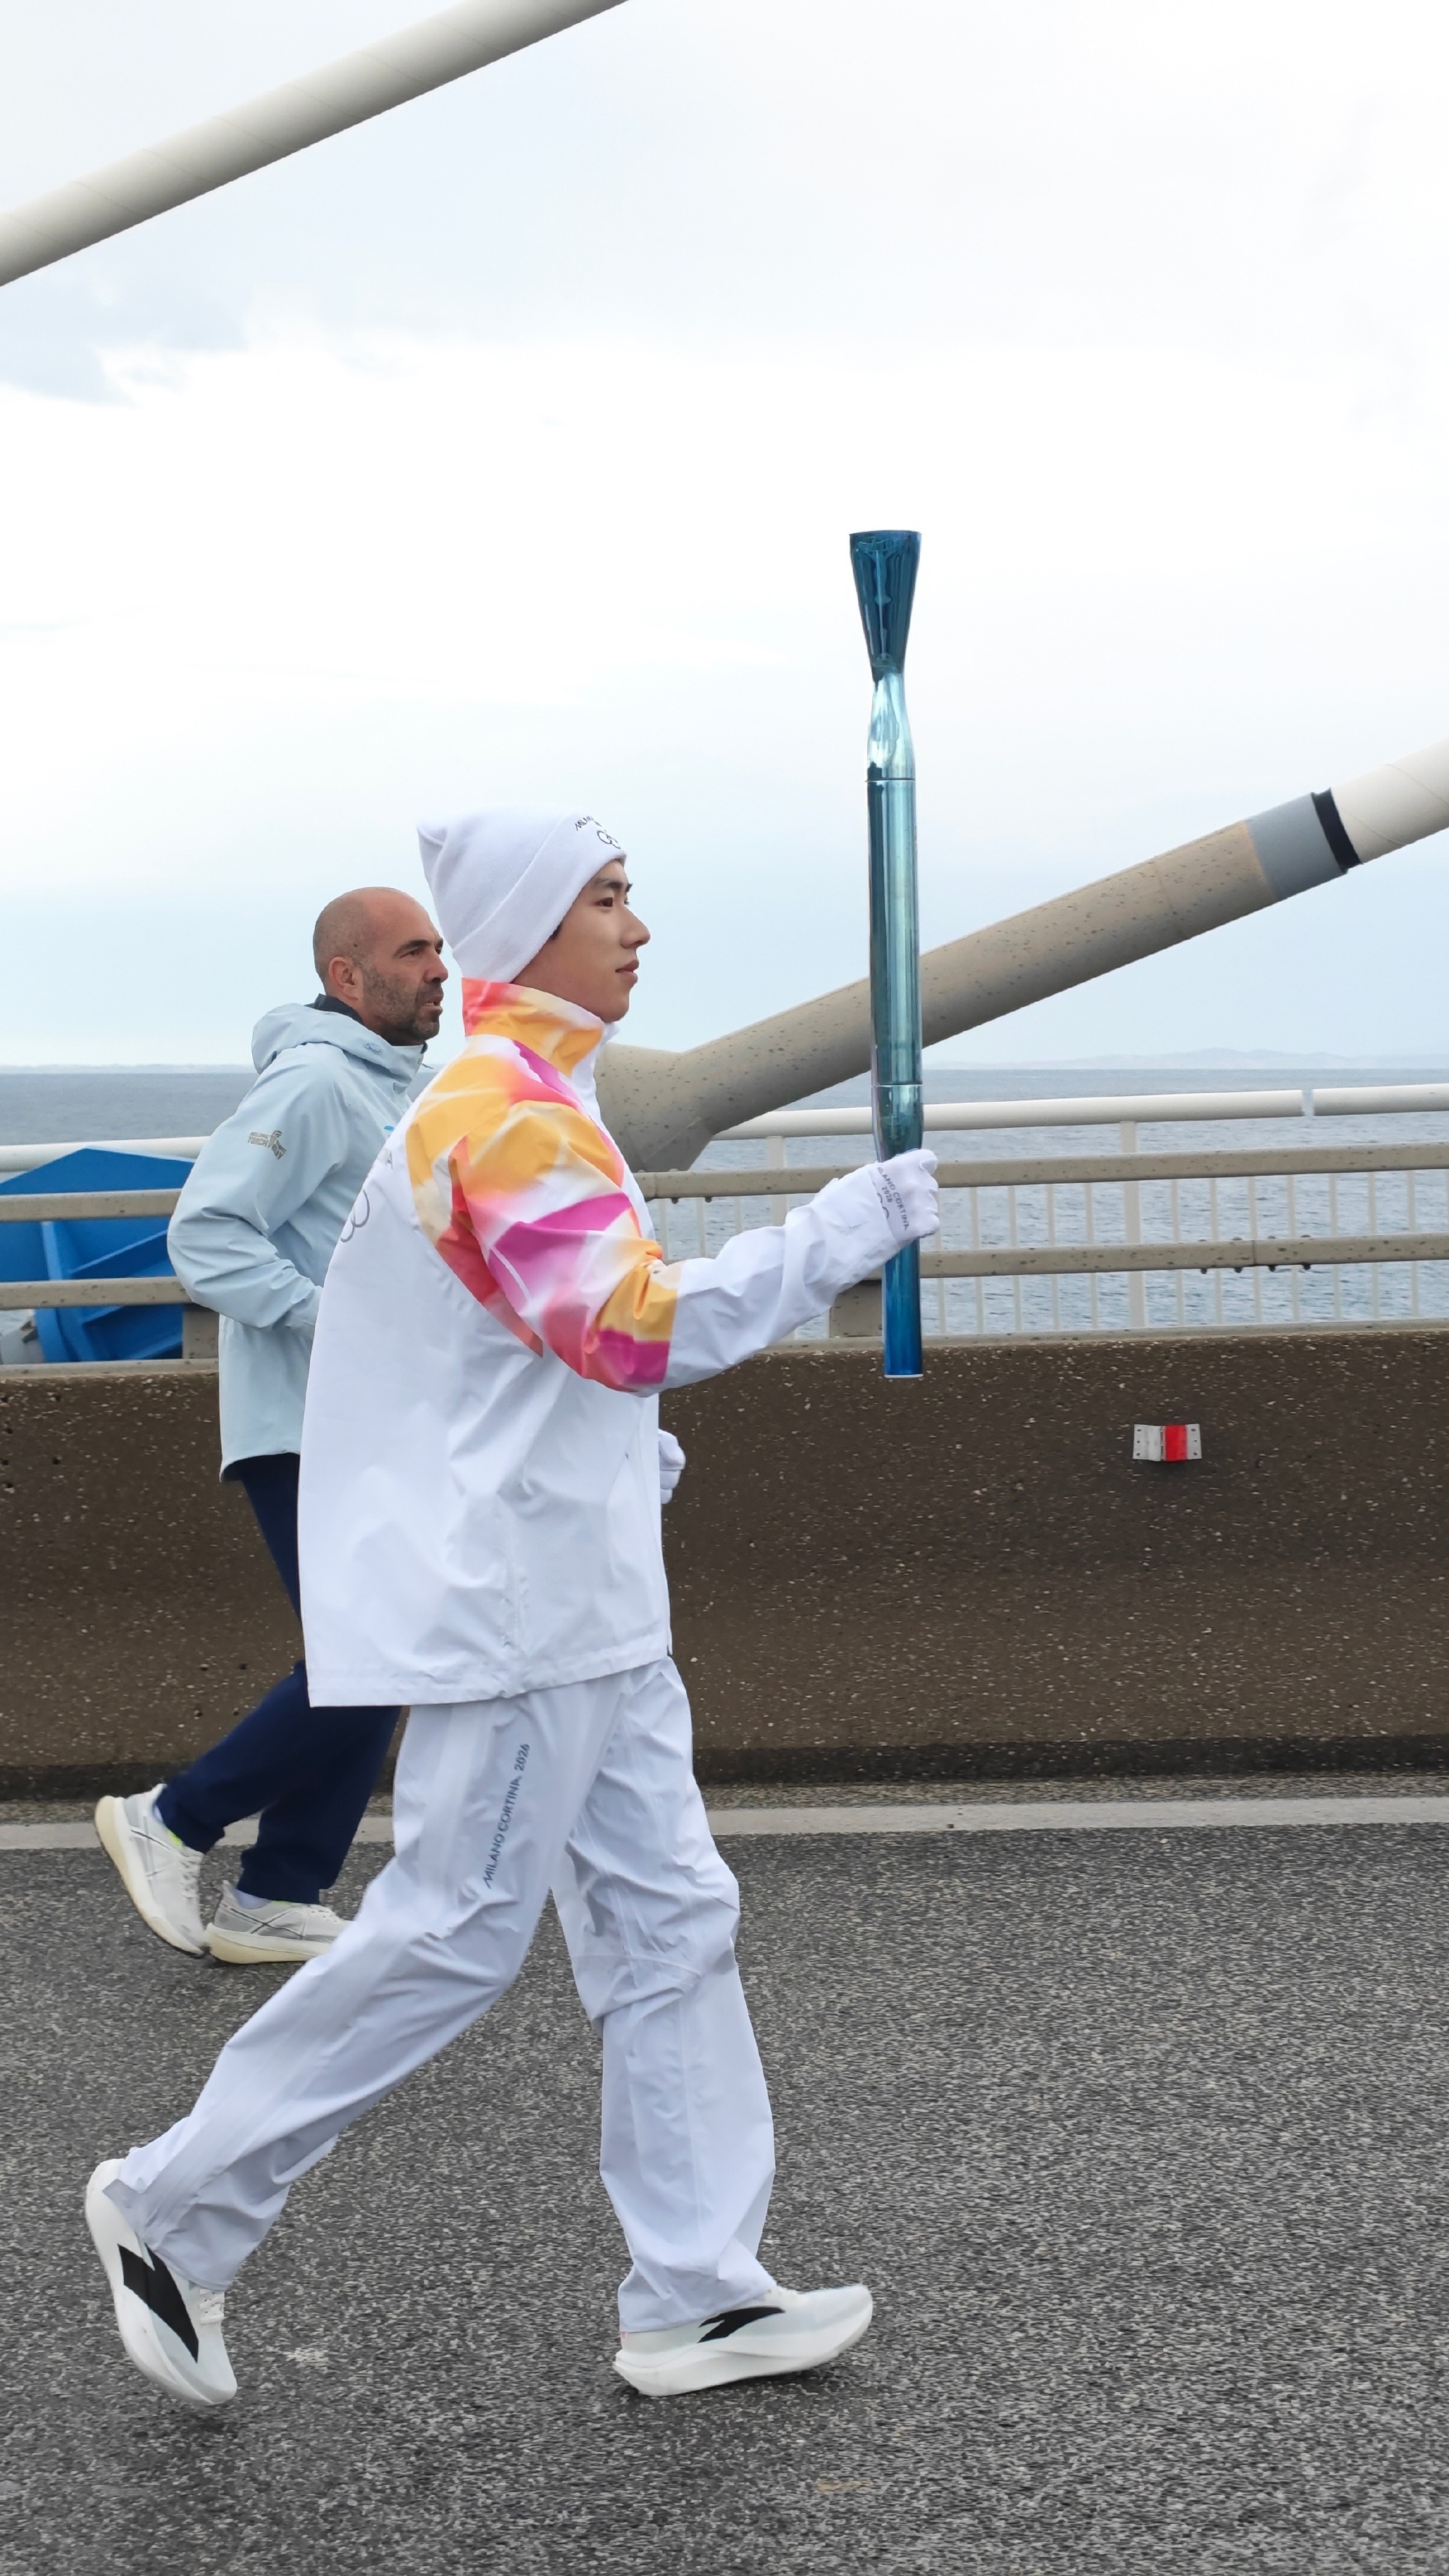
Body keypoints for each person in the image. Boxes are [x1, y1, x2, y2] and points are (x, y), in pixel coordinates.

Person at [85, 808, 939, 2406]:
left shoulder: (528, 1093)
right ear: (528, 923)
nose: (637, 927)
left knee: (671, 1921)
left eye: (630, 895)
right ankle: (174, 2204)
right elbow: (624, 1324)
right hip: (522, 1609)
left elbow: (490, 1350)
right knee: (455, 1932)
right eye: (606, 898)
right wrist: (838, 1230)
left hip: (588, 1591)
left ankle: (696, 2291)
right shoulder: (499, 1108)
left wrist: (614, 1449)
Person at [95, 889, 446, 1965]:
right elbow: (206, 1233)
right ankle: (174, 1819)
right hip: (305, 1425)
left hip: (369, 1423)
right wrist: (334, 1323)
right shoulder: (318, 1079)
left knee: (376, 1656)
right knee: (377, 1653)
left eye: (440, 949)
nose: (440, 969)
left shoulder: (393, 1089)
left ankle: (279, 1891)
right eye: (413, 952)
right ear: (348, 976)